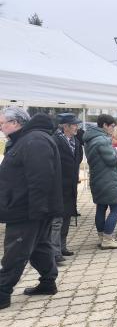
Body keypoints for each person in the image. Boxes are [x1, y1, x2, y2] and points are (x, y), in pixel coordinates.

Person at [0, 108, 62, 309]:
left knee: (15, 250)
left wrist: (37, 210)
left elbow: (40, 179)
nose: (1, 128)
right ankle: (48, 282)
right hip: (29, 207)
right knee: (39, 246)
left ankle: (2, 291)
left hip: (27, 209)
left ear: (15, 123)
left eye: (2, 123)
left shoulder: (34, 141)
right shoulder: (25, 140)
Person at [83, 114, 117, 250]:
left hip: (97, 178)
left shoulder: (90, 138)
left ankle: (101, 237)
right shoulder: (102, 140)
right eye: (112, 126)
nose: (113, 129)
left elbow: (103, 156)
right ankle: (108, 239)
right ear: (104, 125)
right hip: (107, 179)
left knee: (101, 207)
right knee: (116, 207)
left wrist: (116, 151)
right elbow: (112, 160)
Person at [53, 112, 84, 261]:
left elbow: (78, 159)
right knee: (57, 220)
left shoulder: (75, 141)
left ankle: (62, 247)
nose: (77, 127)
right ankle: (54, 252)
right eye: (74, 125)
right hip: (58, 186)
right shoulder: (55, 140)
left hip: (70, 187)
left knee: (66, 217)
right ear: (65, 126)